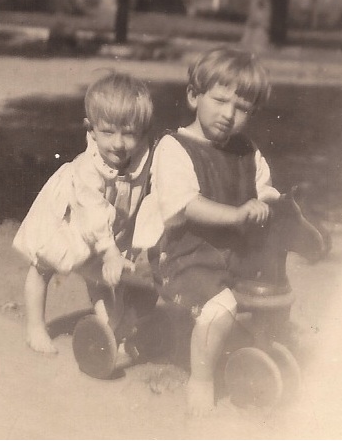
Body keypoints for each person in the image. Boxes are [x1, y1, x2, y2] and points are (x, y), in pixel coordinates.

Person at [133, 48, 280, 415]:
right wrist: (237, 214)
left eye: (242, 108)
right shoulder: (175, 147)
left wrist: (265, 202)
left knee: (270, 290)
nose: (229, 114)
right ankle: (201, 379)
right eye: (220, 100)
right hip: (183, 255)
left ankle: (258, 352)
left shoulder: (246, 151)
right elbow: (185, 205)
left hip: (232, 253)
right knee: (221, 306)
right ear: (193, 96)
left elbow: (263, 187)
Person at [13, 71, 154, 354]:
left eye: (129, 133)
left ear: (142, 133)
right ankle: (35, 328)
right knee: (43, 266)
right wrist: (110, 251)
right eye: (108, 132)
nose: (118, 143)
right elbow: (92, 210)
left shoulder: (142, 157)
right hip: (68, 217)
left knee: (98, 275)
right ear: (91, 130)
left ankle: (110, 331)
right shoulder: (87, 169)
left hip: (105, 229)